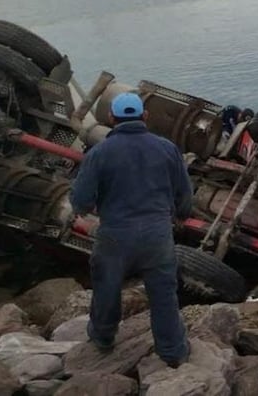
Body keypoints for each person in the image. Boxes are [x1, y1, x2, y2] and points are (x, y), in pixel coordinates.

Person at [70, 92, 193, 368]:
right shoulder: (167, 148)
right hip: (157, 236)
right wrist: (181, 215)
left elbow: (81, 201)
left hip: (115, 235)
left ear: (112, 118)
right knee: (163, 294)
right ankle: (173, 352)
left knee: (107, 288)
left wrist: (86, 208)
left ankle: (103, 337)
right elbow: (185, 195)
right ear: (145, 116)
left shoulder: (99, 152)